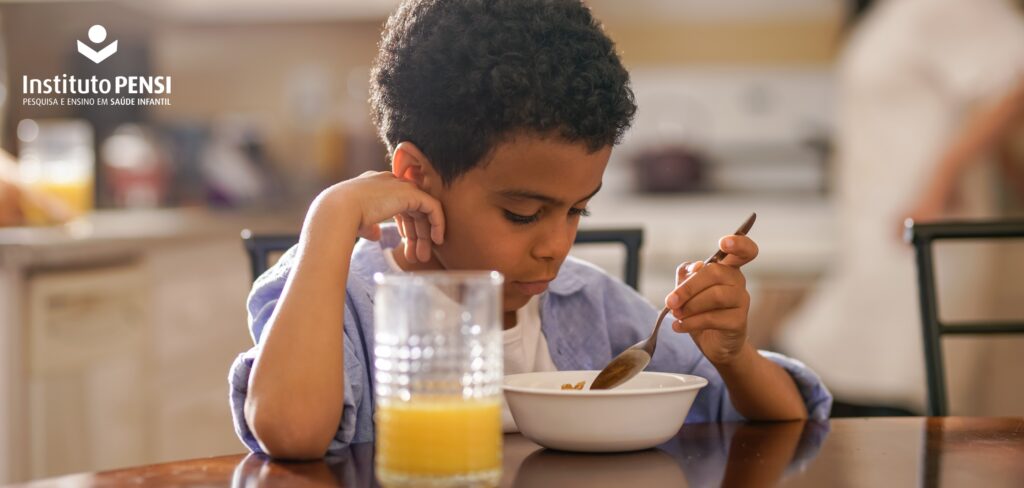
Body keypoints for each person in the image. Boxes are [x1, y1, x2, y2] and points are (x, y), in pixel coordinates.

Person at [229, 0, 831, 460]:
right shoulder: (340, 296)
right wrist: (329, 221)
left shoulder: (591, 306)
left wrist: (732, 355)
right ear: (417, 176)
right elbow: (290, 434)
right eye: (523, 214)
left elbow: (785, 423)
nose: (556, 246)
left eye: (577, 210)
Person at [779, 0, 1024, 414]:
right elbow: (979, 99)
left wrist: (943, 179)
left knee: (877, 384)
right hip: (880, 233)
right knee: (846, 375)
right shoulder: (891, 11)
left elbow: (1013, 81)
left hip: (920, 232)